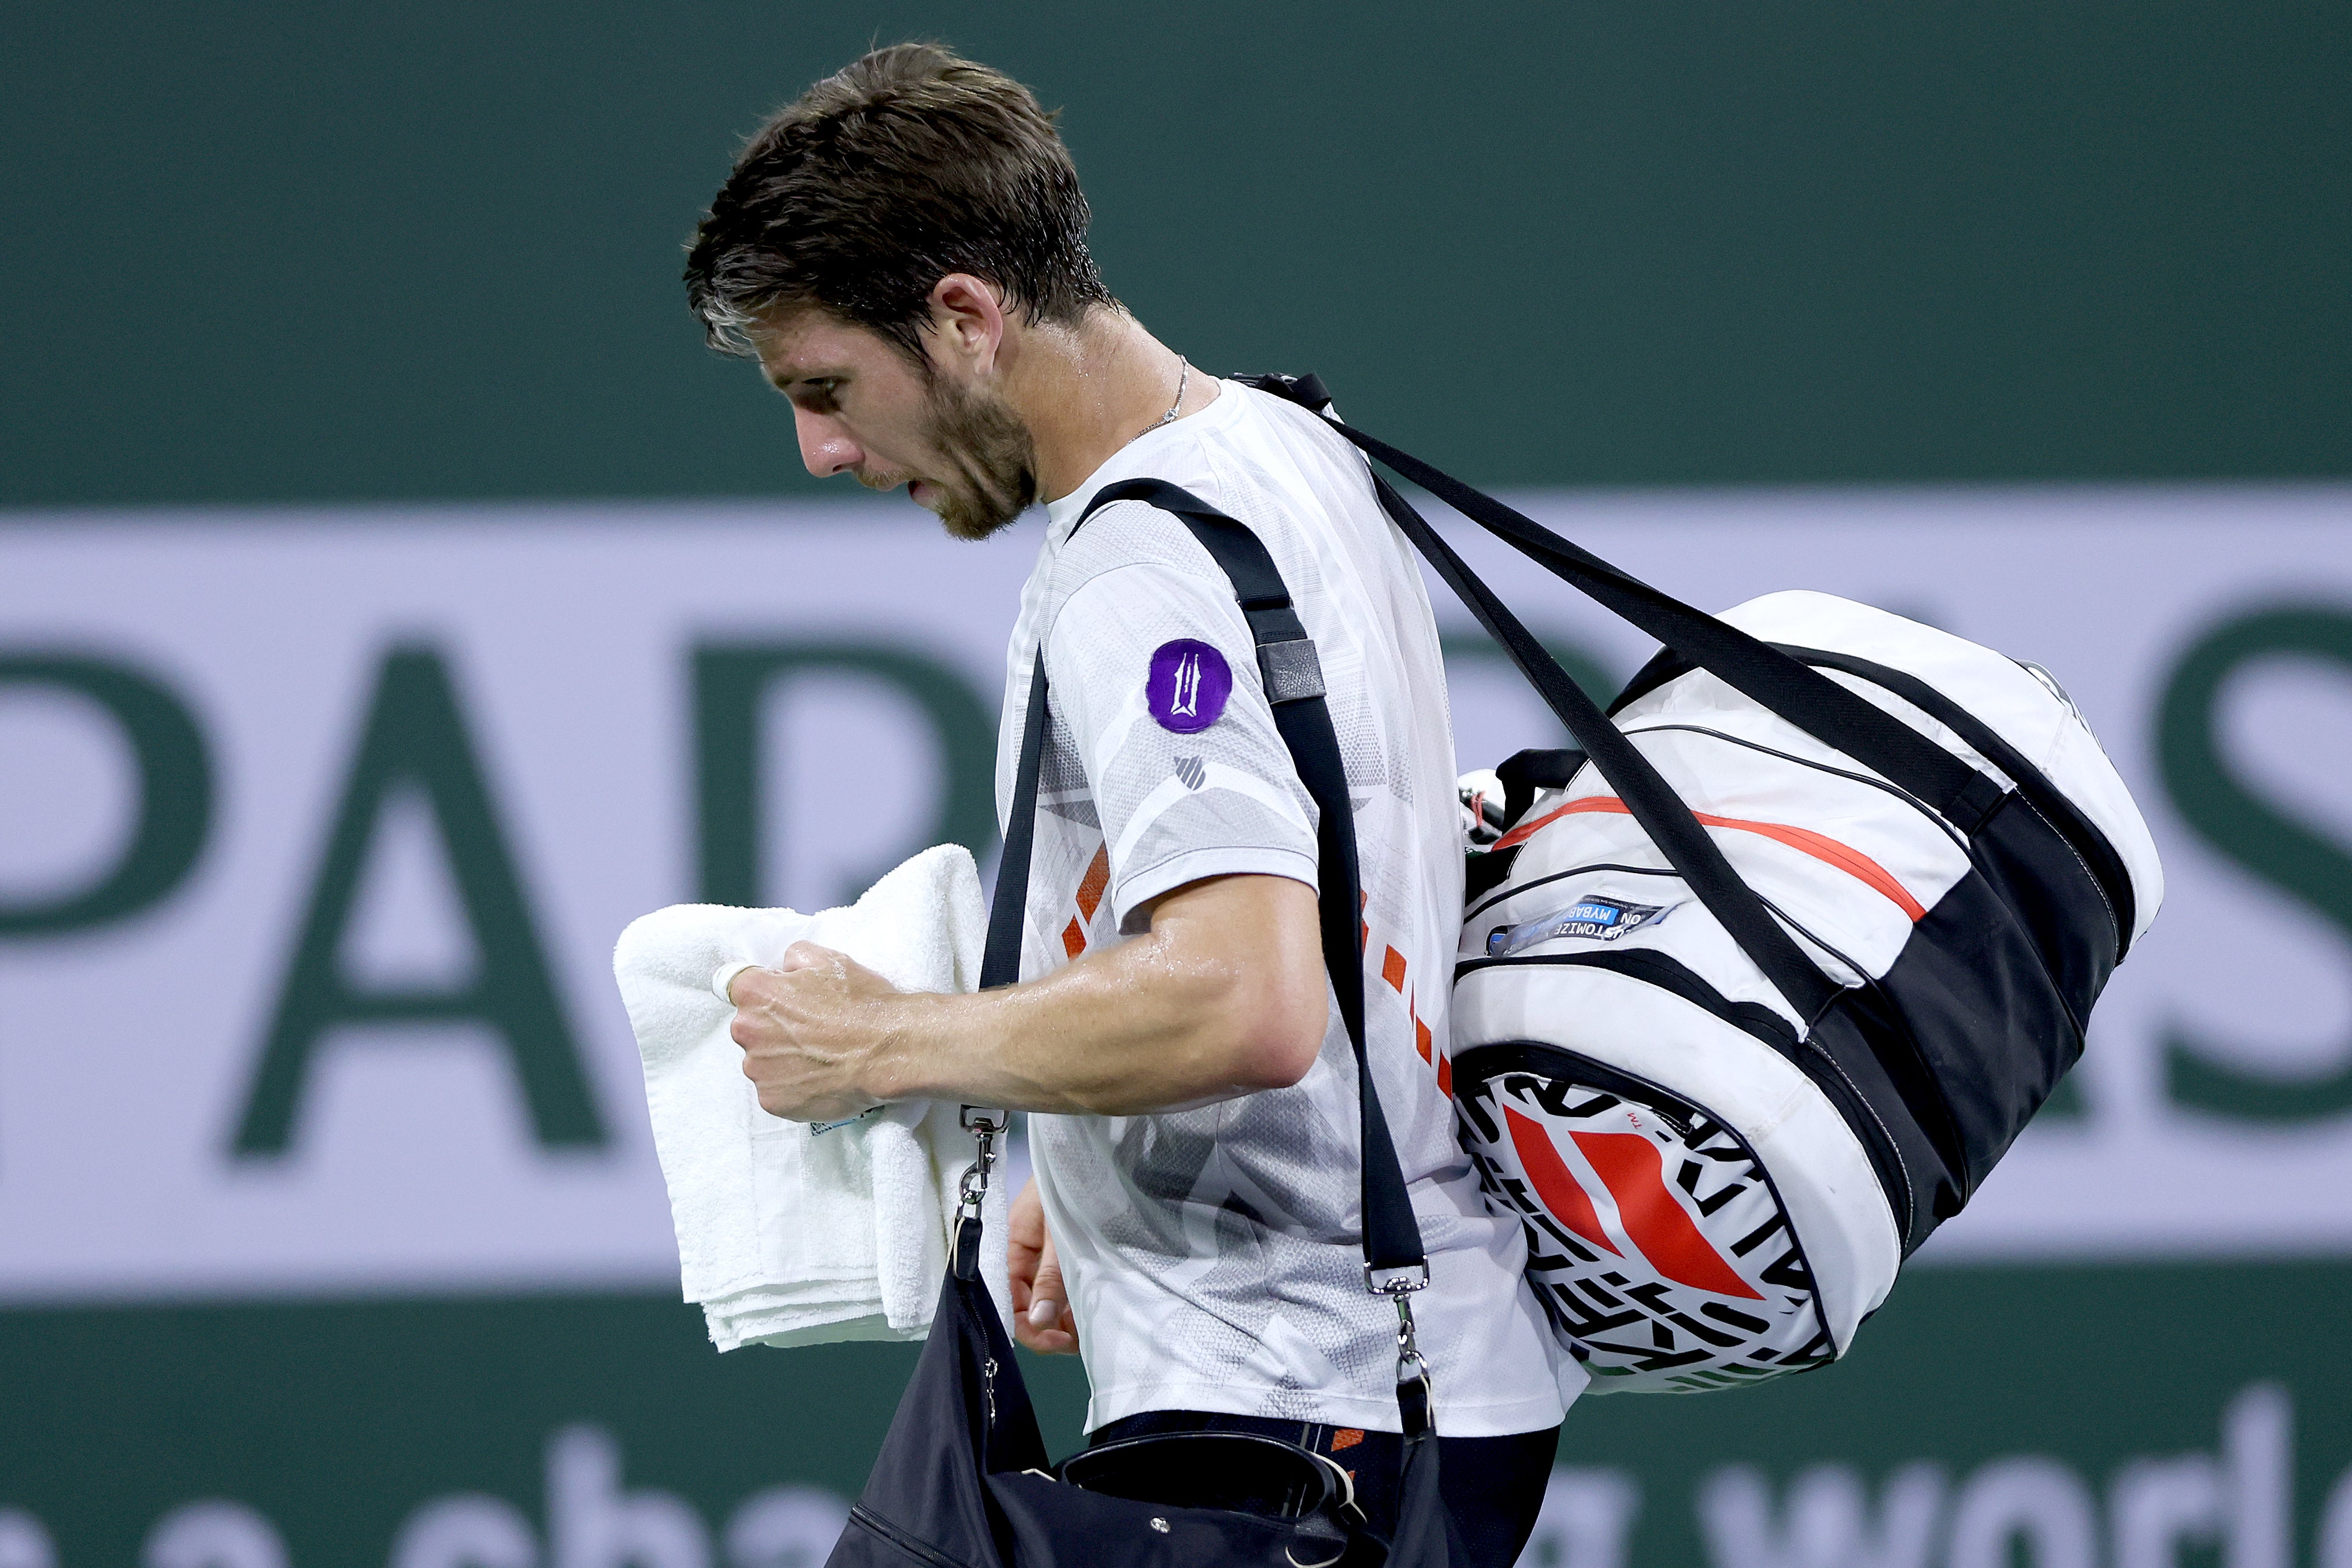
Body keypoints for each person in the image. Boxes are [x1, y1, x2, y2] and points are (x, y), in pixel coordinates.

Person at [683, 43, 1573, 1565]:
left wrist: (878, 1046)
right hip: (1391, 1382)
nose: (819, 451)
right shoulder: (1281, 441)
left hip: (1289, 1411)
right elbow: (1336, 879)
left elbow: (1242, 1003)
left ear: (961, 318)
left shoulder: (1141, 571)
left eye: (826, 389)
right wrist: (1094, 1161)